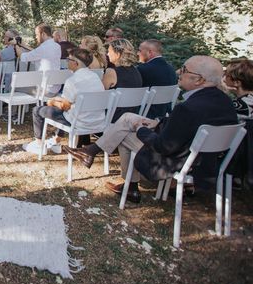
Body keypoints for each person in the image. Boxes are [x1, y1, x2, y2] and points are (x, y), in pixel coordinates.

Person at [65, 56, 239, 203]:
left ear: (199, 79)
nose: (179, 72)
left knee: (124, 135)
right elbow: (190, 125)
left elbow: (163, 146)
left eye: (185, 70)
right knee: (127, 118)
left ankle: (130, 187)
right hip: (206, 159)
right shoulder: (224, 101)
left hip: (178, 159)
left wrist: (141, 130)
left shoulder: (187, 108)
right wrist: (158, 122)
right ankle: (91, 151)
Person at [27, 48, 105, 153]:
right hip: (97, 121)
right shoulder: (95, 77)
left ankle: (39, 145)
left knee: (37, 110)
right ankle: (56, 141)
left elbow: (65, 106)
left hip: (79, 122)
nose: (67, 61)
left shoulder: (72, 81)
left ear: (75, 63)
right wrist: (56, 99)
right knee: (64, 109)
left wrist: (52, 102)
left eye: (69, 59)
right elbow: (70, 101)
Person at [102, 38, 143, 122]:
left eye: (109, 51)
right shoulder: (136, 71)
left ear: (117, 54)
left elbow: (101, 95)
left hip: (113, 117)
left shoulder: (111, 72)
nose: (107, 54)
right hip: (133, 115)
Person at [137, 39, 178, 118]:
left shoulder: (142, 69)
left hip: (145, 113)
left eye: (140, 50)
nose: (138, 53)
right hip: (164, 113)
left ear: (150, 52)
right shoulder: (171, 69)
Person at [17, 24, 61, 92]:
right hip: (55, 88)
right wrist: (23, 45)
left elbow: (23, 57)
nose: (36, 37)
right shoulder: (57, 46)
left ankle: (33, 102)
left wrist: (16, 45)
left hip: (45, 90)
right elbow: (37, 53)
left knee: (17, 88)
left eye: (37, 34)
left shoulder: (43, 48)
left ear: (43, 34)